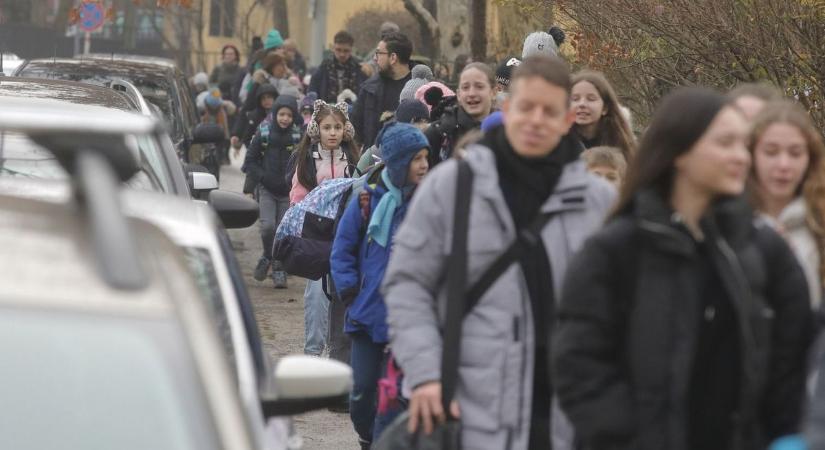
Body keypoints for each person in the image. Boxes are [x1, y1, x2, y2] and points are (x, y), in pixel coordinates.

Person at [553, 87, 814, 450]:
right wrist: (625, 436)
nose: (741, 156)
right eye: (725, 143)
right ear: (679, 151)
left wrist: (780, 437)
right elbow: (579, 364)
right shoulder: (615, 250)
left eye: (744, 144)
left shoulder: (765, 251)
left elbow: (791, 363)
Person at [382, 56, 616, 450]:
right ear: (506, 108)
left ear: (566, 119)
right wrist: (424, 374)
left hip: (566, 418)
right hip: (474, 412)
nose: (536, 120)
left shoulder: (598, 204)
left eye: (550, 111)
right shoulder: (452, 188)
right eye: (526, 107)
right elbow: (408, 285)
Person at [331, 122, 431, 450]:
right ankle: (366, 435)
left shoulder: (429, 204)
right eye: (416, 158)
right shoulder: (366, 201)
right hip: (367, 313)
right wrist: (351, 293)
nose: (424, 165)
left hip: (410, 321)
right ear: (399, 162)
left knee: (396, 397)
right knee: (361, 393)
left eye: (425, 157)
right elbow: (342, 251)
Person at [290, 100, 360, 356]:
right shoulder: (308, 160)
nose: (332, 132)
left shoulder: (353, 159)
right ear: (316, 130)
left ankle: (338, 348)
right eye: (327, 127)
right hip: (316, 238)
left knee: (342, 292)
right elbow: (298, 195)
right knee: (317, 295)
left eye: (337, 127)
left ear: (345, 130)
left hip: (346, 236)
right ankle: (313, 349)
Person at [749, 100, 825, 310]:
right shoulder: (727, 220)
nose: (784, 165)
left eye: (795, 153)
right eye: (771, 152)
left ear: (810, 157)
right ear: (752, 154)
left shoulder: (819, 221)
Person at [244, 94, 303, 288]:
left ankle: (279, 266)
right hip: (267, 189)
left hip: (287, 191)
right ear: (275, 114)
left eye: (289, 115)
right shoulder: (264, 132)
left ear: (294, 116)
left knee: (282, 230)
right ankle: (268, 255)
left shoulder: (298, 136)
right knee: (268, 226)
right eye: (281, 114)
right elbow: (250, 161)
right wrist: (259, 179)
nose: (285, 118)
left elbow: (304, 162)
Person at [424, 62, 495, 166]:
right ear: (458, 94)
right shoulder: (438, 134)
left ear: (494, 92)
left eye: (479, 87)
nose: (472, 93)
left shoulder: (507, 133)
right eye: (465, 87)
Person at [352, 31, 413, 149]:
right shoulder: (369, 89)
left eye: (378, 53)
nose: (375, 59)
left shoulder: (421, 89)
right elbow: (355, 132)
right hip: (373, 163)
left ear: (393, 57)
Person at [570, 70, 636, 159]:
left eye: (591, 99)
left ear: (605, 108)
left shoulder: (624, 146)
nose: (582, 104)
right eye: (575, 99)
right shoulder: (555, 143)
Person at [357, 99, 430, 174]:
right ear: (412, 121)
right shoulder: (375, 153)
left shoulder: (430, 151)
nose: (427, 126)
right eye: (423, 122)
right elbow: (354, 184)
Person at [308, 31, 367, 104]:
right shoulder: (323, 69)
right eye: (338, 50)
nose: (342, 54)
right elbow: (312, 93)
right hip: (326, 112)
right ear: (333, 48)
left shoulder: (359, 70)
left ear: (351, 50)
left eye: (346, 51)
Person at [232, 83, 277, 152]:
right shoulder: (254, 116)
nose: (266, 100)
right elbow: (247, 137)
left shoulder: (280, 114)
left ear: (275, 98)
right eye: (263, 98)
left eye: (269, 97)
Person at [201, 88, 237, 167]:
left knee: (221, 142)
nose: (213, 109)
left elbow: (233, 109)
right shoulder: (203, 106)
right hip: (207, 129)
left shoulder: (223, 107)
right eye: (211, 107)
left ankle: (220, 157)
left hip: (219, 129)